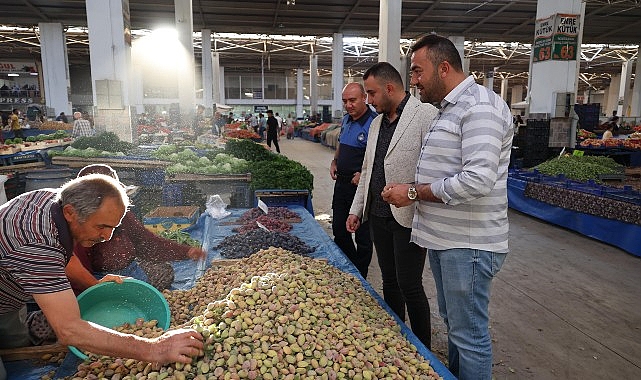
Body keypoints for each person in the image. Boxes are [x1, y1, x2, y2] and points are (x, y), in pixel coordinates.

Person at [382, 34, 513, 380]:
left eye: (416, 72)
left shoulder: (479, 107)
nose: (412, 81)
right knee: (457, 328)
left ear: (443, 68)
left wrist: (412, 193)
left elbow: (477, 180)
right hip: (448, 242)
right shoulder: (448, 109)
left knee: (469, 337)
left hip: (467, 246)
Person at [0, 174, 203, 378]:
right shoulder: (34, 244)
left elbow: (62, 253)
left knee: (14, 346)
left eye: (112, 227)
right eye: (101, 227)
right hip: (9, 283)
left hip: (10, 289)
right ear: (70, 213)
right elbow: (69, 329)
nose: (107, 237)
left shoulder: (57, 205)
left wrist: (94, 284)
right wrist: (154, 348)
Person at [346, 62, 438, 349]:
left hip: (409, 215)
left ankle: (423, 348)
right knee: (389, 281)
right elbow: (369, 168)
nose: (369, 100)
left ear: (390, 88)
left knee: (410, 284)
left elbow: (435, 168)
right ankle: (398, 338)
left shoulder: (425, 115)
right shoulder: (375, 124)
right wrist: (356, 209)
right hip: (378, 215)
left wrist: (412, 193)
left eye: (372, 94)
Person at [66, 164, 207, 293]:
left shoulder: (118, 212)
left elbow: (145, 241)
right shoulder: (79, 229)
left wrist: (185, 251)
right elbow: (76, 272)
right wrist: (95, 286)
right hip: (103, 280)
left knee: (165, 271)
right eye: (101, 226)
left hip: (132, 270)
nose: (107, 235)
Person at [329, 83, 377, 277]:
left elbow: (379, 156)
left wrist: (363, 175)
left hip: (361, 187)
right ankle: (352, 267)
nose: (348, 105)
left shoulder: (374, 122)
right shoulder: (346, 120)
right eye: (345, 101)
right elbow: (341, 143)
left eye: (352, 100)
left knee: (363, 236)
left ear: (364, 97)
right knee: (339, 231)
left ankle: (360, 275)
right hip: (342, 184)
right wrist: (334, 161)